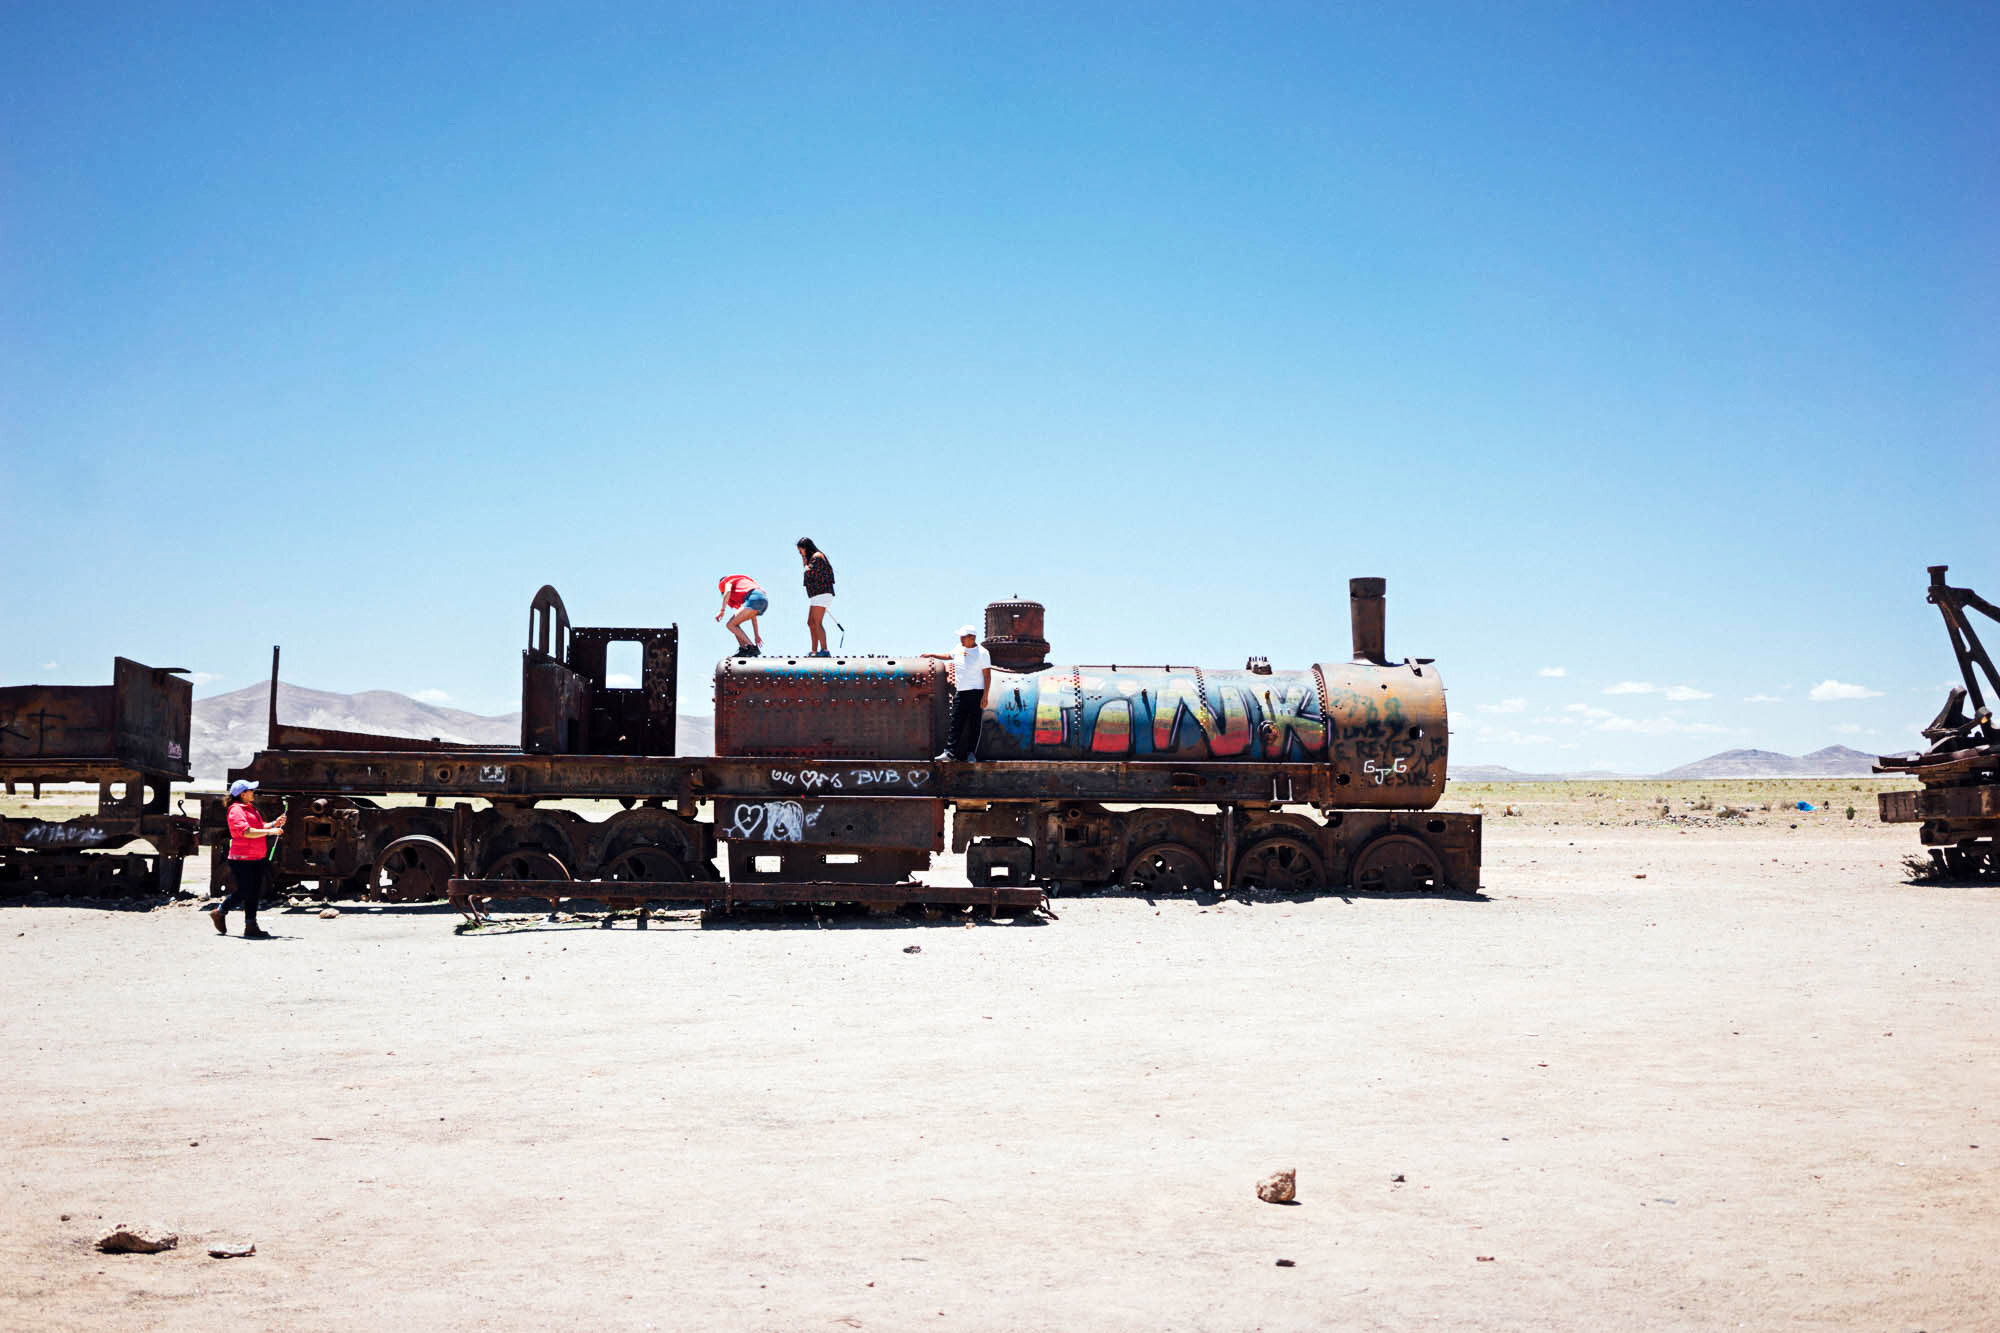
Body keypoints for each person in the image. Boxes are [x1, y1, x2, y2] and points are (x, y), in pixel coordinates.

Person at [212, 778, 283, 938]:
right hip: (241, 859)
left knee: (254, 892)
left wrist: (273, 824)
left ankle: (251, 925)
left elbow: (257, 827)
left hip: (256, 857)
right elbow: (246, 832)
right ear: (242, 794)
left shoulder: (250, 809)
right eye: (250, 790)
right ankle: (220, 911)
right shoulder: (236, 811)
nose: (253, 792)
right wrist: (270, 832)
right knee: (245, 891)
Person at [924, 625, 992, 762]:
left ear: (972, 638)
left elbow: (987, 676)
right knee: (956, 723)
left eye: (963, 636)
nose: (961, 639)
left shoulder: (983, 653)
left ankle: (971, 753)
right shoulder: (959, 648)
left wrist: (985, 696)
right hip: (961, 692)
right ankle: (949, 753)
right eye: (960, 636)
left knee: (974, 724)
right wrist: (932, 654)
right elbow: (949, 655)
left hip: (976, 693)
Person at [797, 538, 836, 657]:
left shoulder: (817, 557)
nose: (800, 554)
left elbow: (810, 573)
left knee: (817, 622)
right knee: (811, 622)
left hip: (822, 594)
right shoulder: (814, 558)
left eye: (801, 551)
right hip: (817, 595)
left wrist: (805, 564)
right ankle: (814, 650)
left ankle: (824, 650)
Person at [715, 574, 767, 656]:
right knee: (734, 624)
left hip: (753, 597)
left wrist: (722, 610)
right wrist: (756, 635)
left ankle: (752, 648)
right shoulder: (741, 592)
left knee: (730, 625)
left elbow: (727, 591)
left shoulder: (726, 582)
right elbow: (753, 617)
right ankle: (743, 649)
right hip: (763, 600)